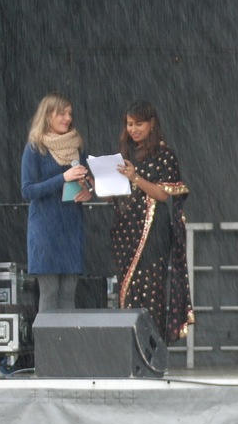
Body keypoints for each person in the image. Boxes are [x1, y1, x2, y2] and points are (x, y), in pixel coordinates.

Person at [110, 100, 193, 343]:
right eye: (129, 124)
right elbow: (114, 193)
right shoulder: (125, 154)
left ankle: (151, 350)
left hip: (152, 234)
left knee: (150, 292)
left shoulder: (164, 155)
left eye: (139, 124)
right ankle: (131, 350)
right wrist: (96, 183)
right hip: (125, 233)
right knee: (127, 293)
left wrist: (135, 177)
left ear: (151, 124)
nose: (133, 129)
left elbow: (162, 194)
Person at [21, 92, 93, 312]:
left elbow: (86, 181)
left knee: (68, 294)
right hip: (45, 230)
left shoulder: (77, 147)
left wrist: (88, 190)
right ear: (47, 116)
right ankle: (47, 336)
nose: (68, 118)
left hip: (71, 227)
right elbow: (27, 190)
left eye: (70, 113)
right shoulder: (35, 148)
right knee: (50, 292)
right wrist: (62, 178)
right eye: (62, 113)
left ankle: (67, 336)